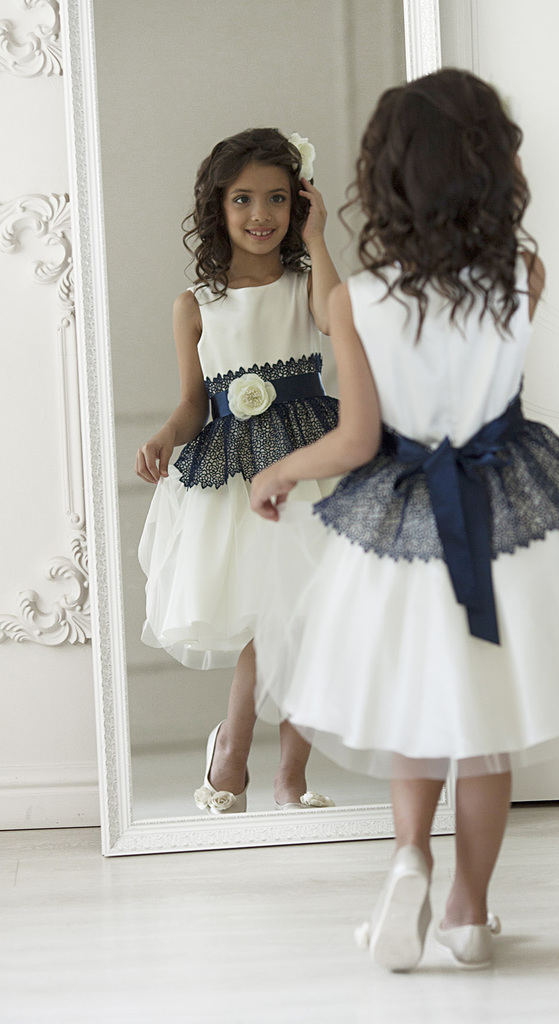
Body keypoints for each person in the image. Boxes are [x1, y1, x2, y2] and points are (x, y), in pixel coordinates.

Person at [249, 70, 559, 971]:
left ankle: (409, 856)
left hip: (401, 527)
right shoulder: (520, 274)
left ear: (386, 177)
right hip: (506, 513)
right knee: (484, 728)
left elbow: (357, 440)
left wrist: (280, 468)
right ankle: (466, 912)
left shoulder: (357, 299)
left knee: (413, 708)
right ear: (489, 170)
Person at [136, 128, 340, 816]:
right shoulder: (195, 304)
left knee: (305, 618)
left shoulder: (306, 284)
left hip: (309, 463)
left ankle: (285, 772)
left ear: (299, 203)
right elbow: (194, 403)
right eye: (244, 199)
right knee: (269, 619)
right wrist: (165, 435)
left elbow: (333, 322)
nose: (261, 214)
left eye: (279, 198)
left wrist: (317, 240)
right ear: (217, 207)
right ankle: (236, 747)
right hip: (236, 476)